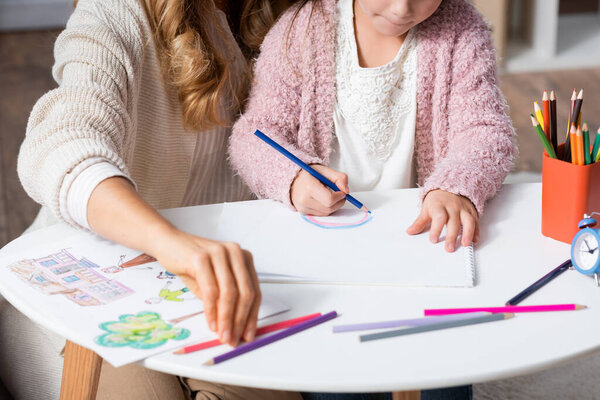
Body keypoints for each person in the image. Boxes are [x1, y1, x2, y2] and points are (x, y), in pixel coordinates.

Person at [1, 0, 304, 399]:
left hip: (217, 284)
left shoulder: (296, 16)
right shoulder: (116, 12)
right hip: (79, 289)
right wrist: (169, 242)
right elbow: (62, 142)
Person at [229, 0, 516, 398]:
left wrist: (454, 185)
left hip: (422, 245)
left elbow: (485, 130)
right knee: (338, 379)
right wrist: (293, 178)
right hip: (326, 251)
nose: (402, 7)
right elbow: (254, 135)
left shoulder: (462, 30)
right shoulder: (301, 30)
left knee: (445, 364)